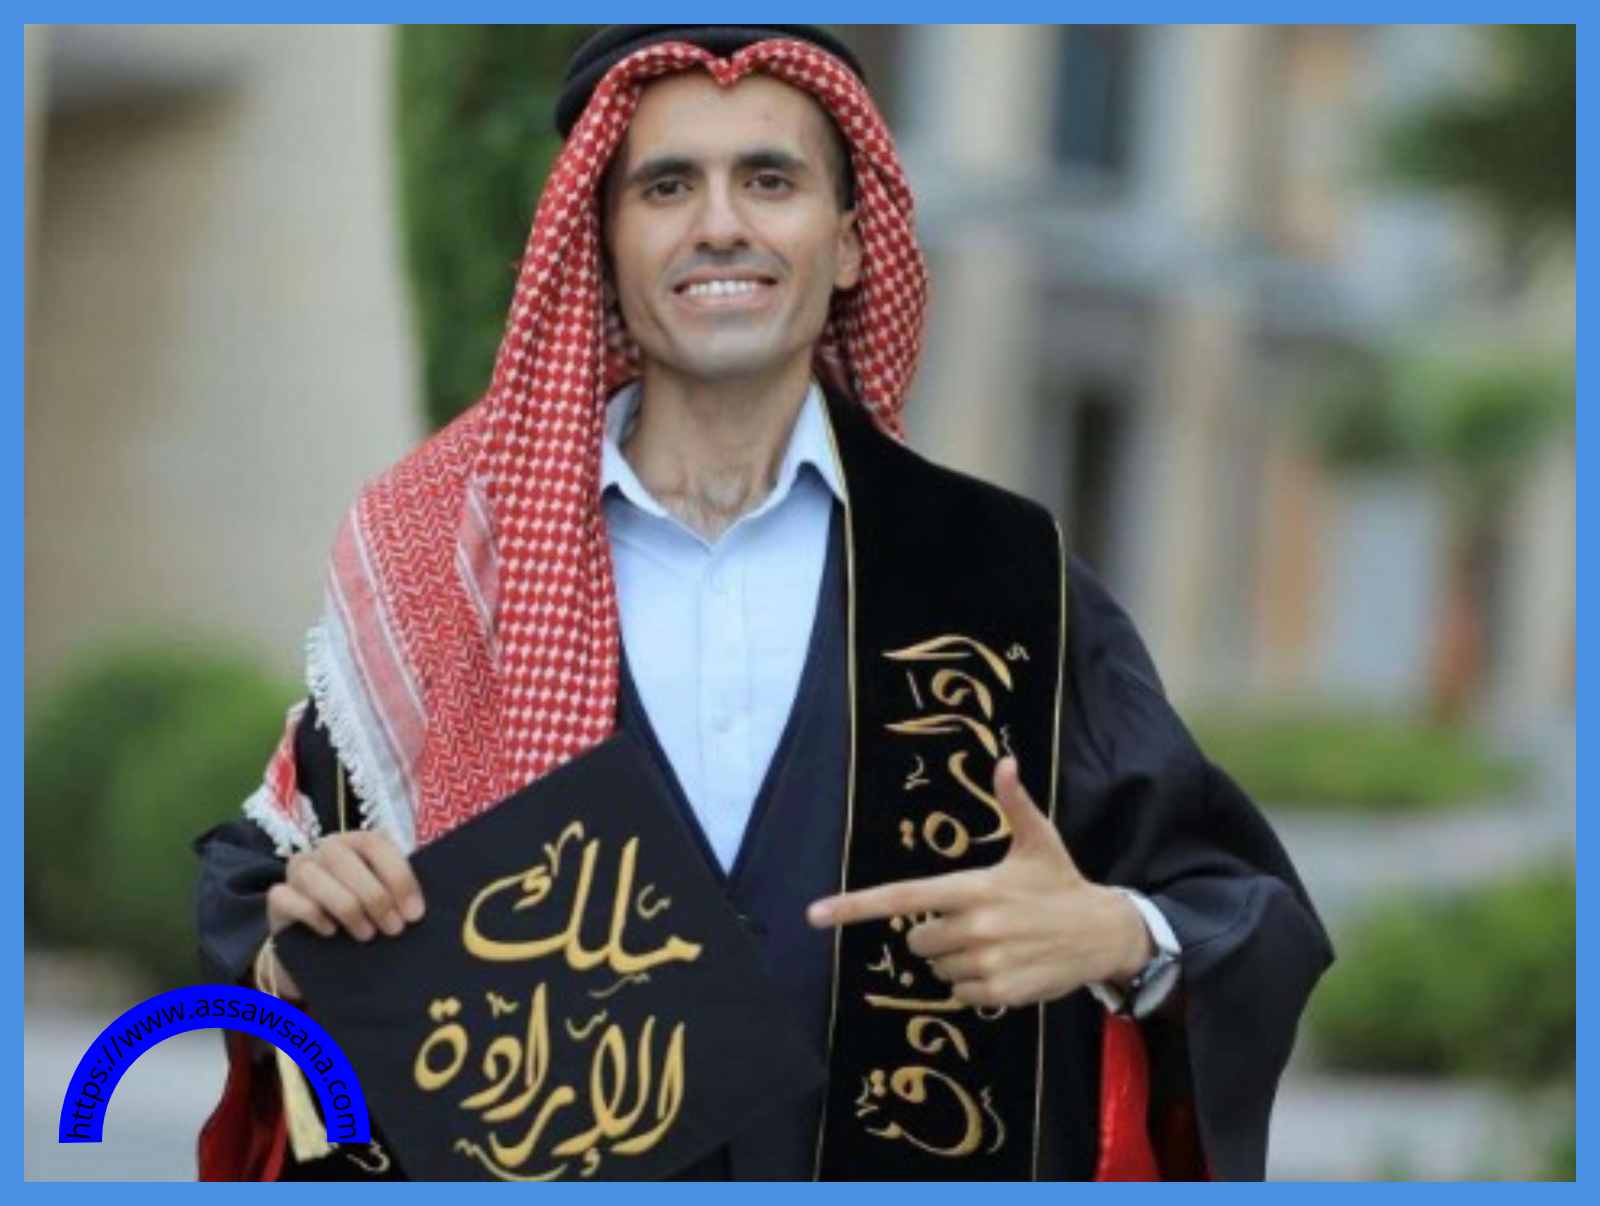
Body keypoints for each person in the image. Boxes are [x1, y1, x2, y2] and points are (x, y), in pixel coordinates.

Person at [193, 24, 1332, 1182]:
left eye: (770, 180)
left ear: (849, 244)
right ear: (602, 244)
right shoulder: (455, 563)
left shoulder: (995, 570)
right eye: (667, 186)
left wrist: (1115, 934)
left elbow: (1238, 905)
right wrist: (297, 934)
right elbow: (258, 881)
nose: (721, 224)